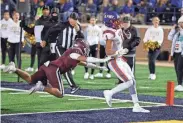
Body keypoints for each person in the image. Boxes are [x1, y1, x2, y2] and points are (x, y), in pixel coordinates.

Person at [4, 39, 111, 98]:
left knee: (30, 79)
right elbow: (87, 59)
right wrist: (103, 60)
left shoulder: (74, 53)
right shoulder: (76, 53)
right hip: (54, 69)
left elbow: (83, 63)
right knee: (60, 93)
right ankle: (42, 87)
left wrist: (97, 67)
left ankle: (14, 69)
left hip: (48, 65)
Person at [102, 11, 150, 113]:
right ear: (110, 21)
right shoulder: (109, 32)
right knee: (128, 81)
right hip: (113, 60)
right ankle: (109, 92)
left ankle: (136, 105)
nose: (118, 22)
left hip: (120, 58)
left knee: (133, 80)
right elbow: (108, 51)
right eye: (115, 20)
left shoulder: (117, 29)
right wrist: (120, 51)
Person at [42, 12, 84, 94]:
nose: (73, 21)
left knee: (60, 67)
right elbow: (50, 30)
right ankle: (73, 86)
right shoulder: (63, 25)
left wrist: (78, 31)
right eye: (71, 19)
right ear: (69, 18)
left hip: (69, 50)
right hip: (60, 47)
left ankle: (48, 78)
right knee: (65, 66)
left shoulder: (77, 27)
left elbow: (82, 38)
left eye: (75, 19)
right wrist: (44, 40)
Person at [168, 16, 183, 91]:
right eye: (179, 23)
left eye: (181, 23)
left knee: (179, 68)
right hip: (176, 52)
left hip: (182, 53)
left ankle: (180, 84)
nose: (179, 25)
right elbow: (170, 38)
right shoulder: (177, 33)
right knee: (177, 69)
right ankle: (179, 83)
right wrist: (173, 29)